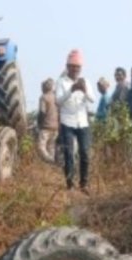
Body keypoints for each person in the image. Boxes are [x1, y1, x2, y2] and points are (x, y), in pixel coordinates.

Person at [55, 49, 95, 194]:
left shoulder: (86, 81)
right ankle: (70, 184)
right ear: (67, 67)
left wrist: (84, 90)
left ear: (80, 68)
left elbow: (92, 99)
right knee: (69, 153)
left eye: (77, 67)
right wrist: (71, 90)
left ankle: (84, 184)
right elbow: (58, 101)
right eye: (72, 66)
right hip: (67, 121)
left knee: (84, 153)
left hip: (82, 122)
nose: (75, 69)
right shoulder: (61, 82)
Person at [36, 78, 59, 163]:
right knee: (51, 148)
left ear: (44, 88)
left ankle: (51, 161)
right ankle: (51, 165)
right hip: (55, 127)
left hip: (46, 127)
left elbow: (42, 112)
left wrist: (39, 123)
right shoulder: (56, 97)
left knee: (40, 147)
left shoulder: (43, 97)